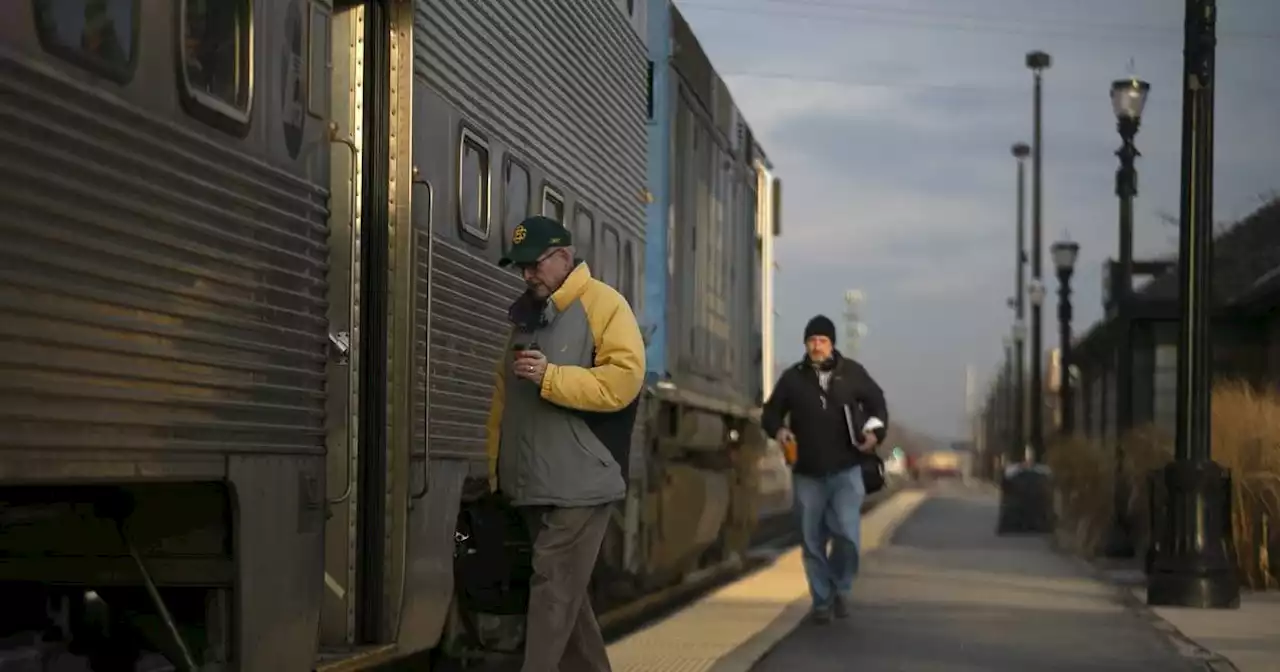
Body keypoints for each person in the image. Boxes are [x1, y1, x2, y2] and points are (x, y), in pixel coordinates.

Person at [484, 215, 645, 672]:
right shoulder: (526, 315)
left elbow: (623, 381)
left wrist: (552, 378)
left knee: (552, 587)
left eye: (533, 265)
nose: (526, 275)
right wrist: (497, 468)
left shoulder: (605, 306)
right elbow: (503, 398)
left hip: (583, 480)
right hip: (534, 482)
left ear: (562, 256)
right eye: (521, 268)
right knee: (569, 608)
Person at [761, 315, 889, 624]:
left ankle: (840, 588)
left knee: (847, 536)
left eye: (823, 341)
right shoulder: (793, 378)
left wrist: (874, 433)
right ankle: (821, 602)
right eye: (812, 341)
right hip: (807, 472)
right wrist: (779, 431)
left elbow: (878, 405)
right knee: (811, 541)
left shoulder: (852, 374)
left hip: (847, 470)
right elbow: (771, 413)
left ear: (832, 344)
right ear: (806, 344)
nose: (817, 346)